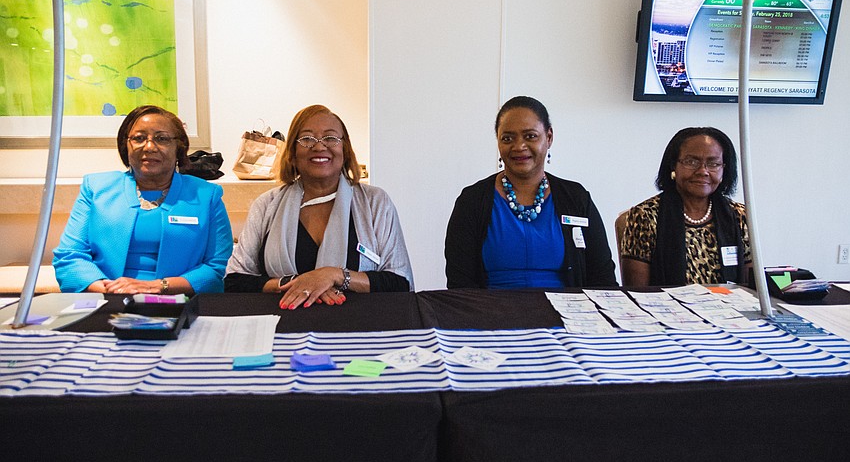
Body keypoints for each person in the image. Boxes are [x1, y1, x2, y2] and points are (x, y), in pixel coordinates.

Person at [225, 104, 414, 308]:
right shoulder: (266, 205)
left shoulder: (375, 202)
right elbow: (235, 281)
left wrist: (334, 275)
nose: (319, 147)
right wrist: (295, 284)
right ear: (293, 152)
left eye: (331, 138)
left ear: (345, 149)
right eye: (307, 139)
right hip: (283, 327)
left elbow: (399, 282)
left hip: (359, 328)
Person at [53, 105, 233, 294]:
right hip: (107, 299)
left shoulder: (206, 195)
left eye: (162, 139)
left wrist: (155, 287)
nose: (149, 147)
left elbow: (215, 268)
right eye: (139, 138)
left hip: (179, 302)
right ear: (126, 145)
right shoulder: (96, 188)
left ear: (178, 147)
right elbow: (70, 256)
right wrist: (109, 291)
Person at [445, 96, 616, 289]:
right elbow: (459, 284)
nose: (519, 146)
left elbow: (603, 279)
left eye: (530, 136)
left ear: (549, 137)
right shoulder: (472, 201)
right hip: (492, 314)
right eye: (507, 138)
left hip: (565, 315)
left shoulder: (576, 199)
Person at [620, 126, 751, 286]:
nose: (703, 171)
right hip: (668, 308)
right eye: (691, 162)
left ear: (724, 169)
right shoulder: (645, 216)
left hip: (730, 308)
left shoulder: (739, 215)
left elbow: (751, 287)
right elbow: (638, 292)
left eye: (713, 164)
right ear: (673, 165)